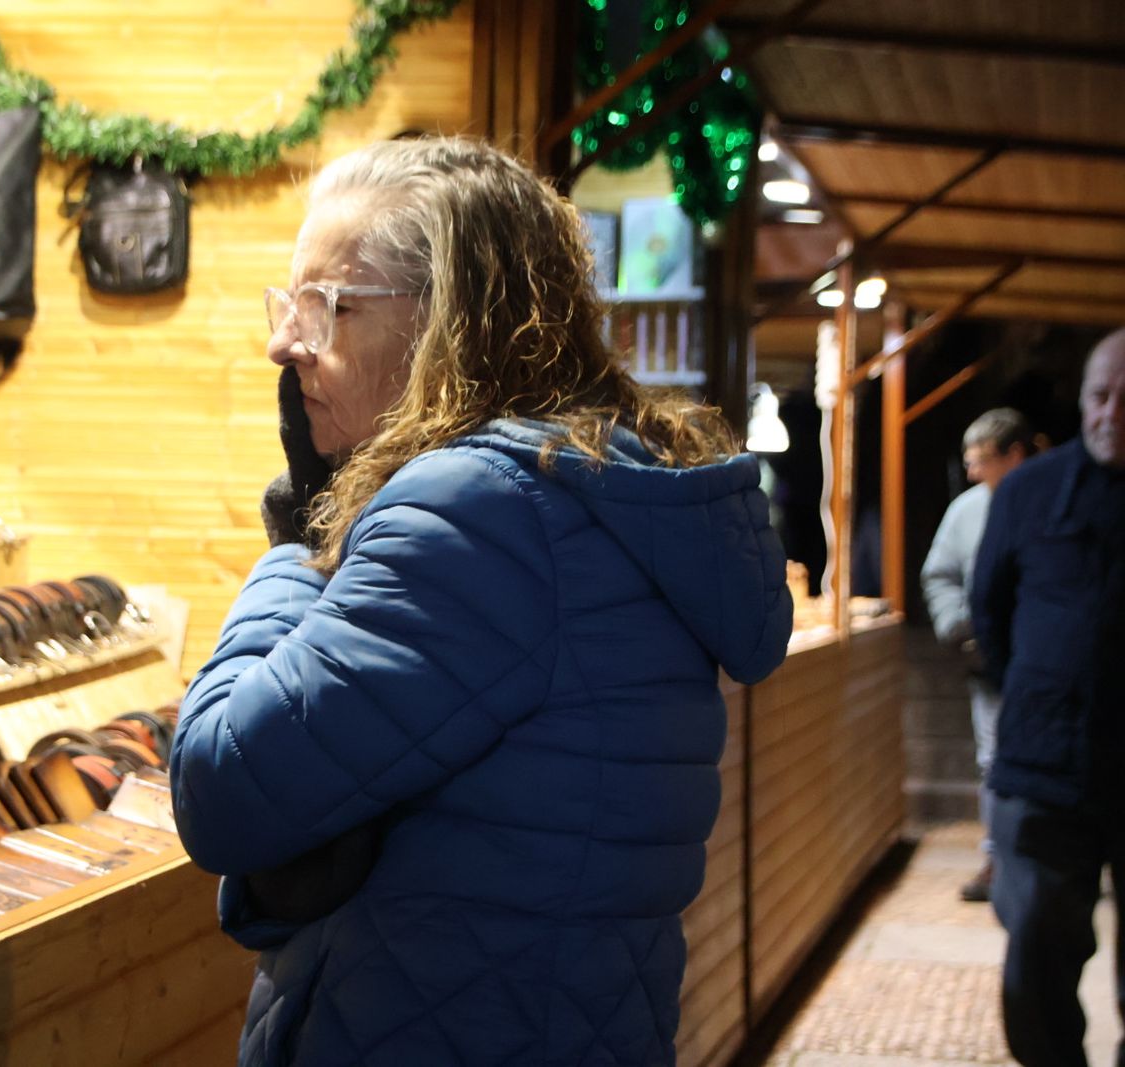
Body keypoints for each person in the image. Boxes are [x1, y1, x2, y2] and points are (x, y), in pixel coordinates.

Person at [169, 137, 793, 1066]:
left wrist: (300, 540)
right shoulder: (579, 491)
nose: (283, 342)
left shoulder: (479, 509)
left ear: (446, 319)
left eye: (328, 305)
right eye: (287, 302)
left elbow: (222, 786)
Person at [973, 328, 1125, 1067]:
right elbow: (990, 608)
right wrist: (1040, 686)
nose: (1110, 414)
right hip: (1045, 763)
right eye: (1100, 396)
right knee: (1036, 951)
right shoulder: (1030, 491)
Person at [920, 407, 1033, 901]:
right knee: (993, 761)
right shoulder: (966, 510)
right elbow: (939, 574)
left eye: (981, 460)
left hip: (1047, 662)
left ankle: (1044, 858)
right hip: (989, 661)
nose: (971, 472)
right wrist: (956, 623)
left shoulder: (1051, 499)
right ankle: (997, 859)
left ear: (1015, 455)